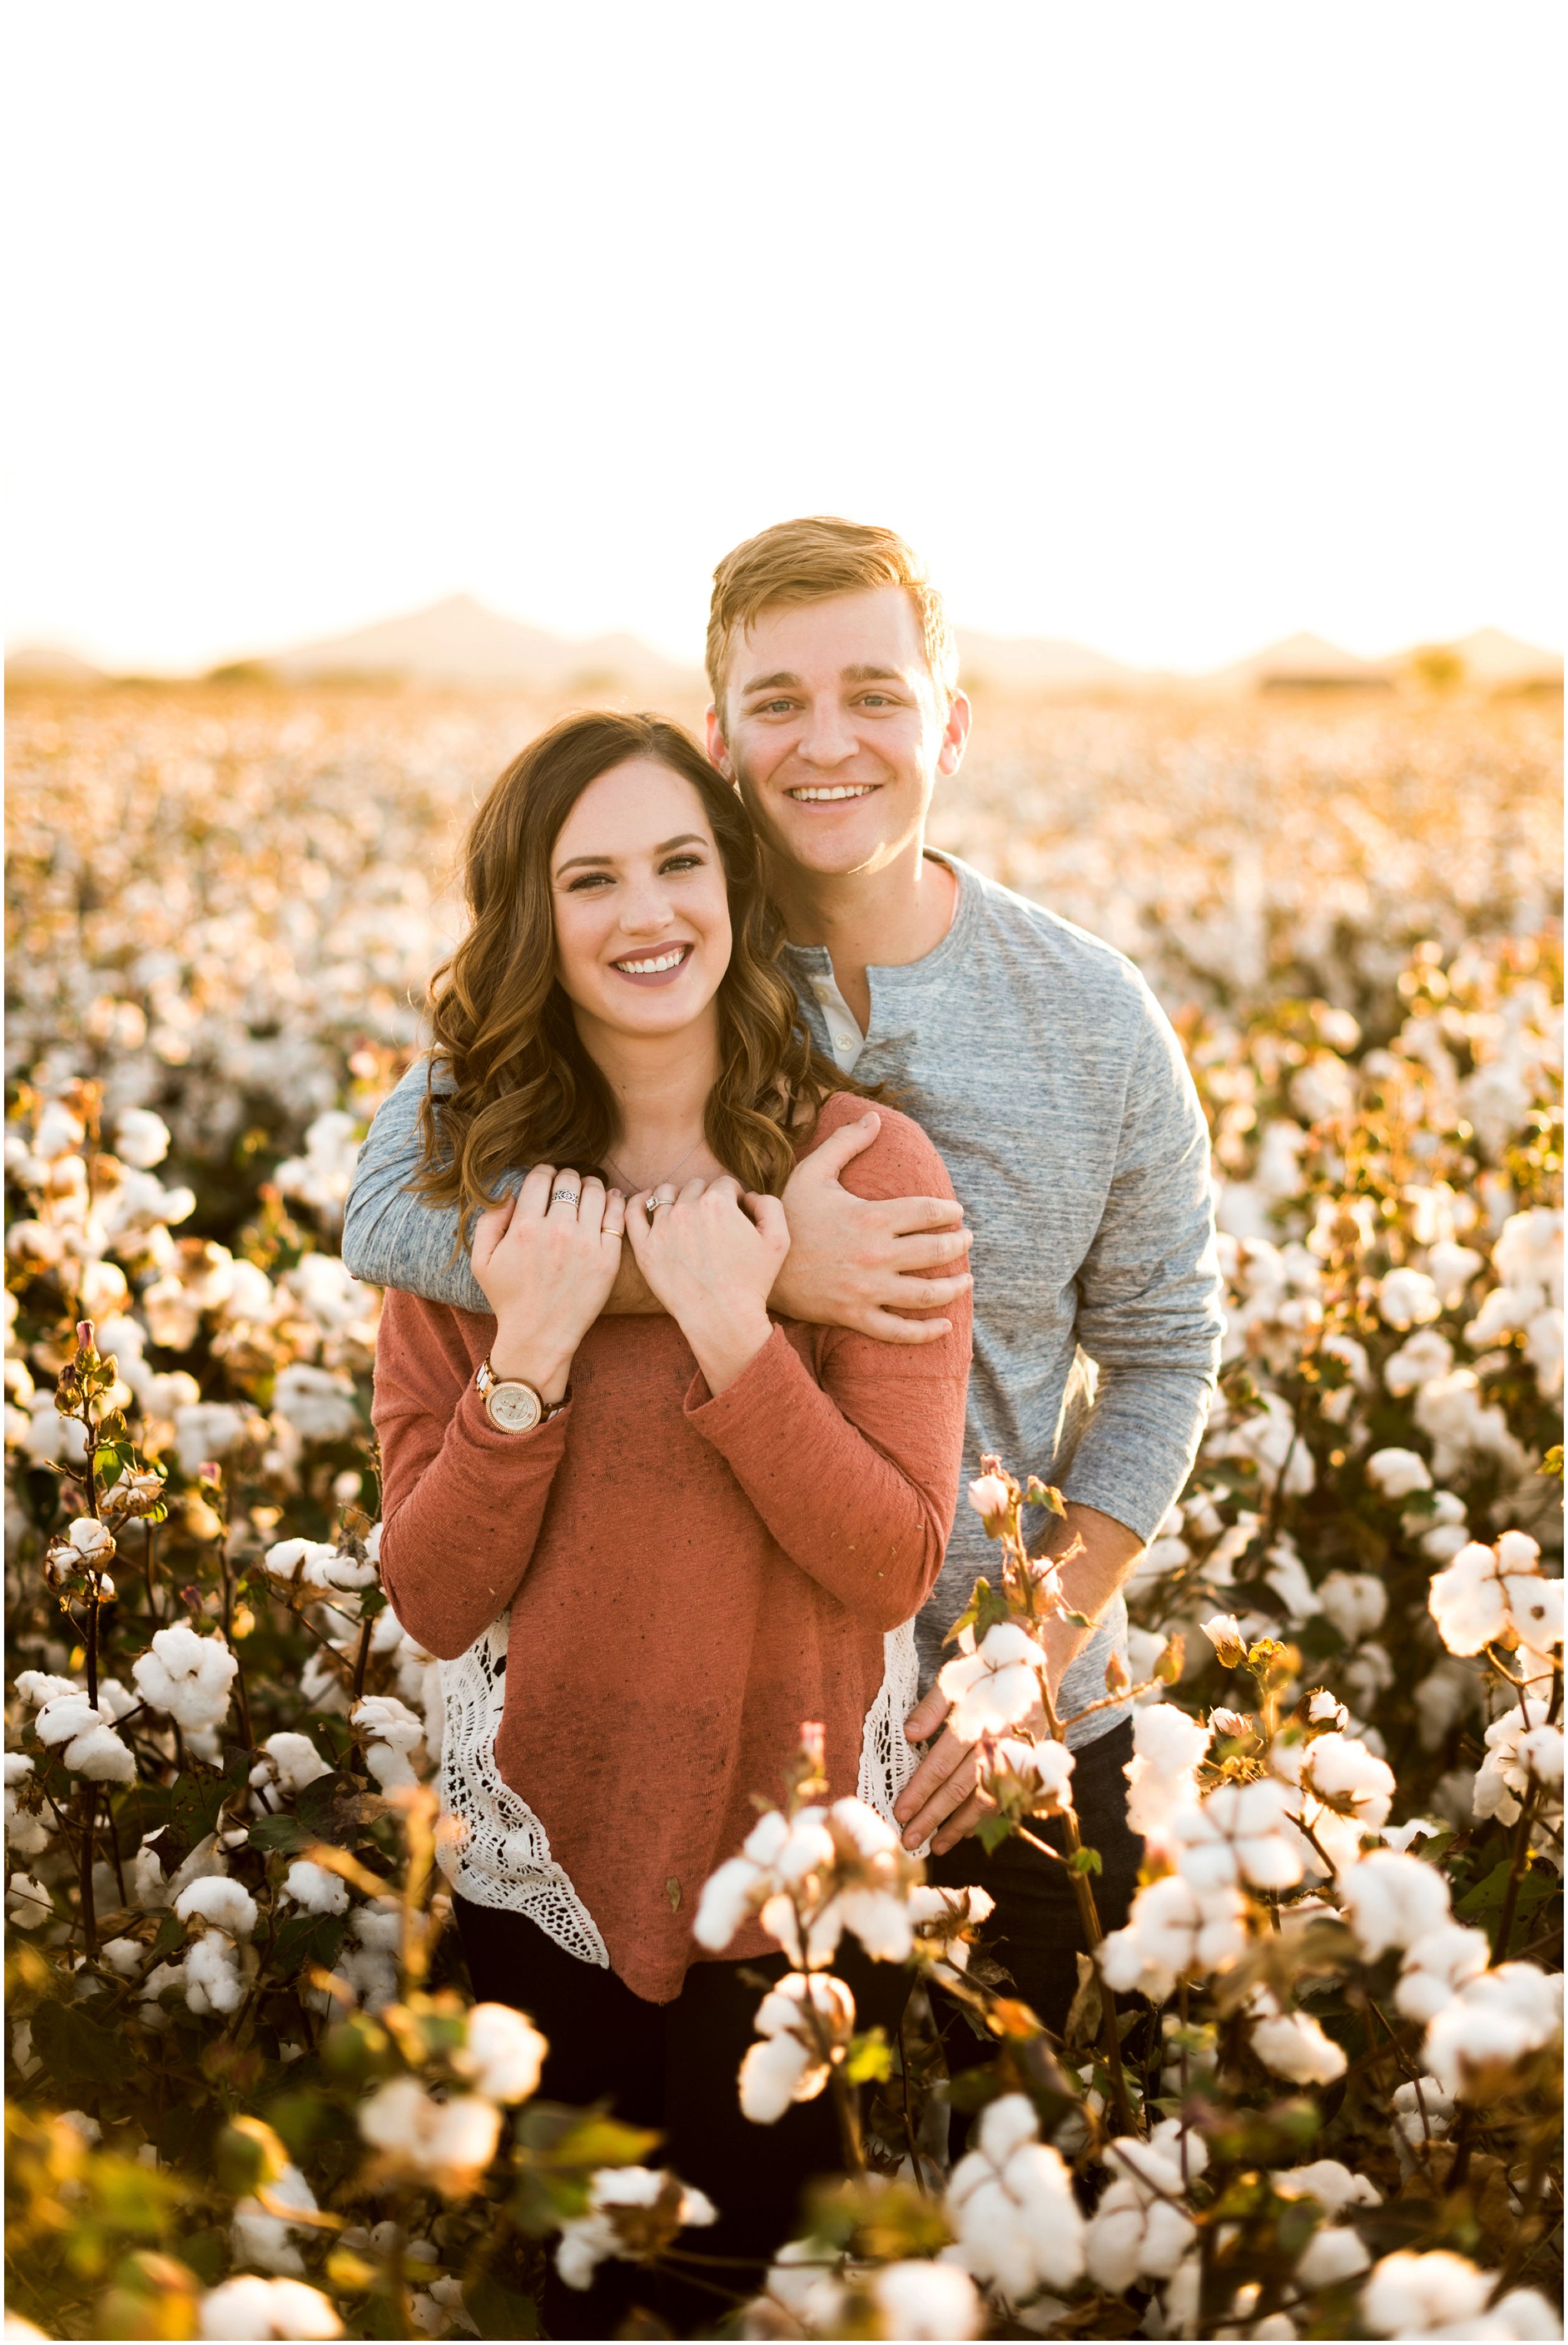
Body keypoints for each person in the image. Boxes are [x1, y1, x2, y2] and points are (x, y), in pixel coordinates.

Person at [347, 517, 1224, 2090]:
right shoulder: (660, 945)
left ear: (948, 721)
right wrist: (740, 1276)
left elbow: (1165, 1358)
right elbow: (394, 1207)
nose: (828, 743)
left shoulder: (1089, 1013)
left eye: (875, 695)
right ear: (720, 735)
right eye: (778, 703)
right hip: (708, 1718)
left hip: (1009, 1722)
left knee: (1008, 2225)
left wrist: (1026, 1653)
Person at [369, 707, 970, 2334]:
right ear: (529, 922)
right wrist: (535, 1355)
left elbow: (892, 1556)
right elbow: (429, 1599)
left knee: (763, 2300)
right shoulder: (462, 1191)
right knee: (562, 2301)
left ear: (735, 882)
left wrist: (735, 1330)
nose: (646, 913)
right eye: (591, 877)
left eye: (679, 862)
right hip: (534, 1876)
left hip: (791, 1880)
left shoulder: (863, 1166)